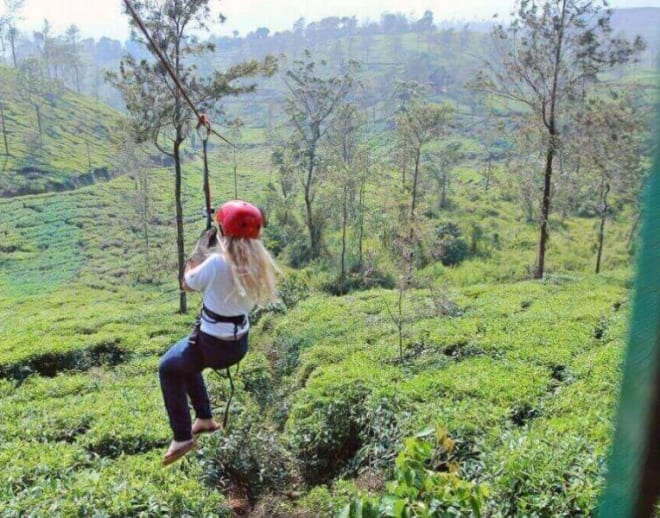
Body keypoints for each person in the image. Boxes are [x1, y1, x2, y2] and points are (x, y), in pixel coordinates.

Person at [158, 200, 279, 466]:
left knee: (168, 367)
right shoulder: (260, 265)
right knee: (187, 363)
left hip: (211, 345)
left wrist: (197, 254)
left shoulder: (214, 264)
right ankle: (204, 419)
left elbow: (186, 284)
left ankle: (181, 437)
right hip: (238, 346)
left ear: (222, 233)